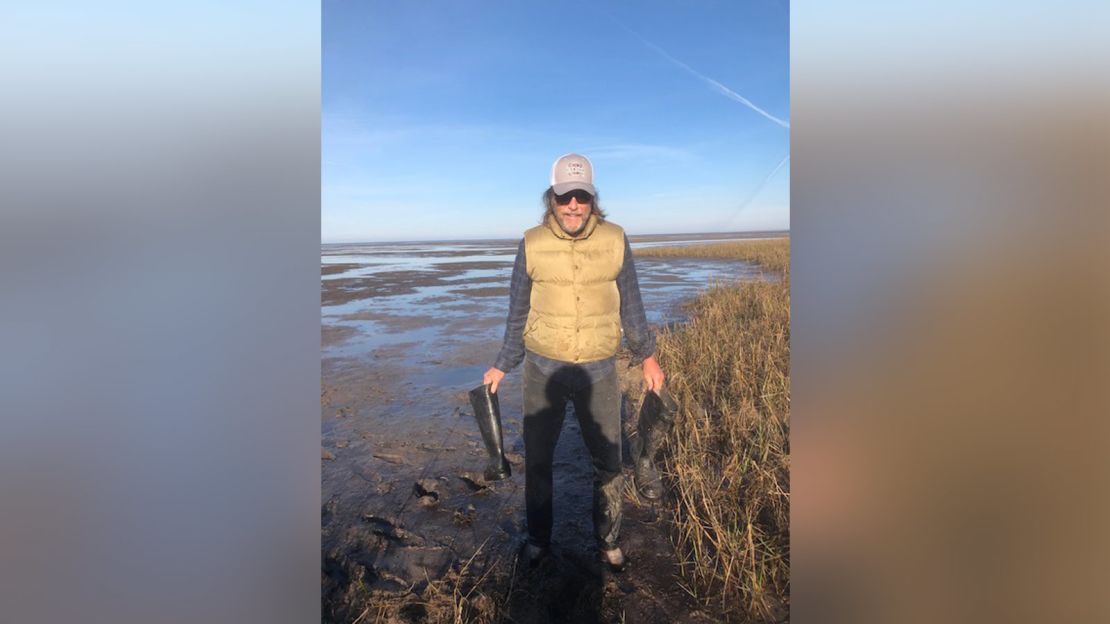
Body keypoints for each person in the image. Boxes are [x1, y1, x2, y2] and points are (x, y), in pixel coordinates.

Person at [482, 153, 665, 572]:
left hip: (599, 368)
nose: (573, 206)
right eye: (565, 197)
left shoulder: (616, 238)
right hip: (542, 368)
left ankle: (608, 540)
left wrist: (647, 357)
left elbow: (632, 305)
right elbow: (517, 310)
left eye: (582, 196)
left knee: (609, 461)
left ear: (592, 198)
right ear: (552, 197)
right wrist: (503, 362)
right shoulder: (530, 242)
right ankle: (538, 539)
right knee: (539, 460)